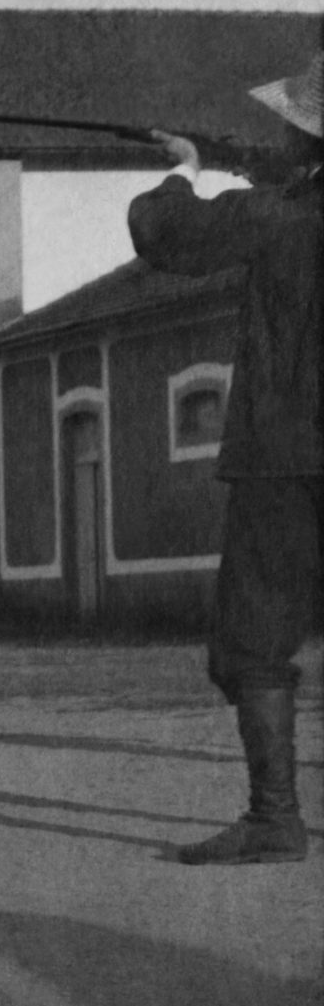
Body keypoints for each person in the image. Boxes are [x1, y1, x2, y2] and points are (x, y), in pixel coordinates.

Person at [128, 48, 322, 865]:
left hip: (287, 457)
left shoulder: (278, 213)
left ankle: (275, 819)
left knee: (250, 642)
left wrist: (184, 169)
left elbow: (164, 234)